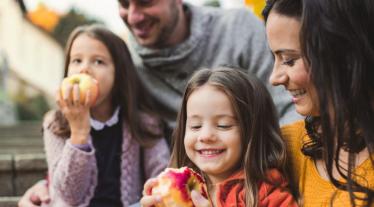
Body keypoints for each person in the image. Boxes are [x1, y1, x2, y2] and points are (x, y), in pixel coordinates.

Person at [19, 0, 303, 205]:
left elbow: (291, 108)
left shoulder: (237, 29)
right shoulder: (133, 69)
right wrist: (50, 183)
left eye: (144, 2)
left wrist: (265, 165)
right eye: (124, 4)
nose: (133, 16)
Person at [20, 25, 170, 207]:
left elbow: (162, 178)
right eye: (76, 61)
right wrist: (79, 134)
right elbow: (69, 195)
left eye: (98, 61)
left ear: (119, 73)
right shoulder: (56, 123)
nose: (84, 69)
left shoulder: (143, 122)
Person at [263, 0, 374, 206]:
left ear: (344, 55)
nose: (275, 78)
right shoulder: (282, 149)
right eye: (274, 58)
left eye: (288, 60)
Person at [140, 68, 298, 207]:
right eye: (195, 126)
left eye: (224, 125)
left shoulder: (269, 196)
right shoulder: (180, 189)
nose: (206, 136)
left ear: (254, 131)